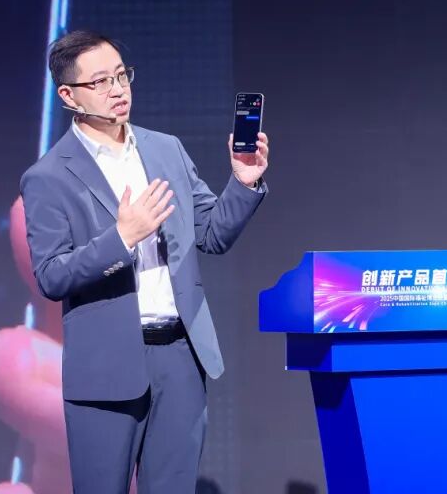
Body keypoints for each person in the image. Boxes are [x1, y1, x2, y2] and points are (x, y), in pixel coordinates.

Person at [18, 30, 269, 493]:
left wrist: (244, 182)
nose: (117, 90)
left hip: (180, 356)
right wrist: (122, 238)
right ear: (69, 96)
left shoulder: (165, 149)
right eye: (101, 82)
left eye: (121, 76)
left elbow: (212, 235)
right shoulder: (48, 176)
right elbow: (51, 275)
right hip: (105, 367)